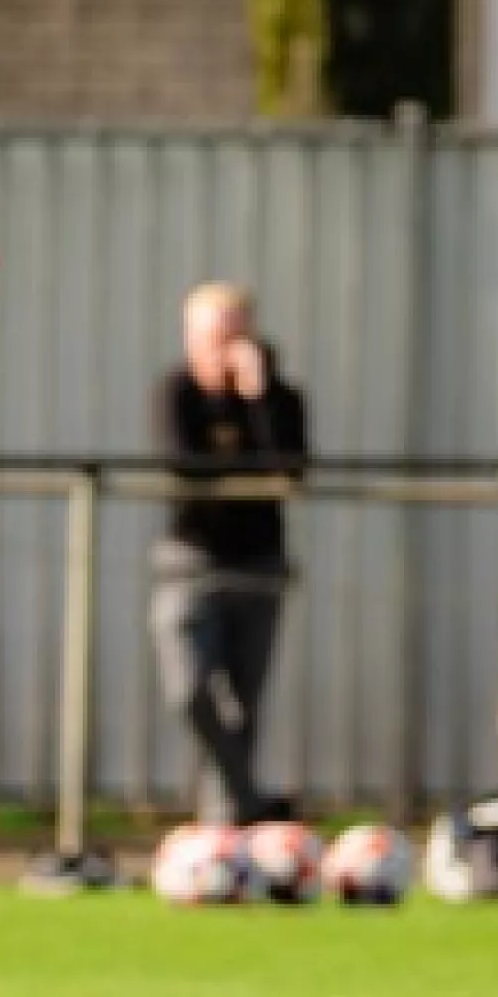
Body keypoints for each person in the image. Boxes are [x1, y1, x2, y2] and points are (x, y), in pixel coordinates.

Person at [150, 282, 311, 828]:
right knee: (189, 689)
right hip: (191, 561)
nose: (225, 347)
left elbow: (289, 470)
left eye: (235, 334)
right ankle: (249, 799)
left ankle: (226, 823)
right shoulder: (177, 392)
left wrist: (255, 396)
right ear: (192, 338)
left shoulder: (280, 399)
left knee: (245, 703)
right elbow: (184, 465)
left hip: (259, 563)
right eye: (214, 336)